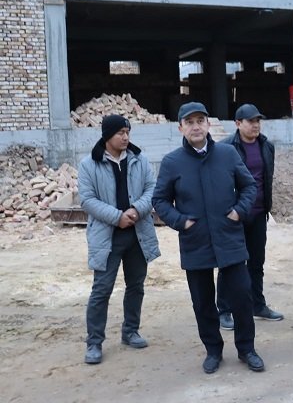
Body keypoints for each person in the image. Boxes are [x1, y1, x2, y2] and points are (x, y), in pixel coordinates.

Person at [152, 101, 265, 374]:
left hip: (229, 237)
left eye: (200, 121)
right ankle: (213, 350)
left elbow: (249, 186)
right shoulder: (172, 162)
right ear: (180, 128)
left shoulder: (227, 154)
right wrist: (181, 222)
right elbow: (160, 200)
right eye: (189, 122)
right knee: (202, 302)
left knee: (242, 296)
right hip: (196, 241)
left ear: (208, 124)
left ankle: (247, 349)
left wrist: (239, 211)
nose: (196, 127)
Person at [78, 114, 161, 365]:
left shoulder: (139, 160)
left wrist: (136, 209)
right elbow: (87, 200)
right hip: (108, 237)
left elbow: (152, 189)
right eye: (120, 133)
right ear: (107, 135)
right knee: (101, 290)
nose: (125, 137)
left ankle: (130, 331)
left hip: (138, 233)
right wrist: (117, 217)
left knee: (136, 286)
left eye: (127, 132)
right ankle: (94, 342)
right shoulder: (89, 164)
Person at [217, 103, 283, 331]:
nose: (256, 125)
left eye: (258, 121)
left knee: (256, 262)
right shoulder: (225, 148)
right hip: (234, 216)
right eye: (251, 121)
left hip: (258, 214)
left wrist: (267, 208)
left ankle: (257, 305)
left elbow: (266, 178)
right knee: (230, 263)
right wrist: (228, 211)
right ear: (238, 123)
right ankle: (224, 310)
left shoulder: (266, 146)